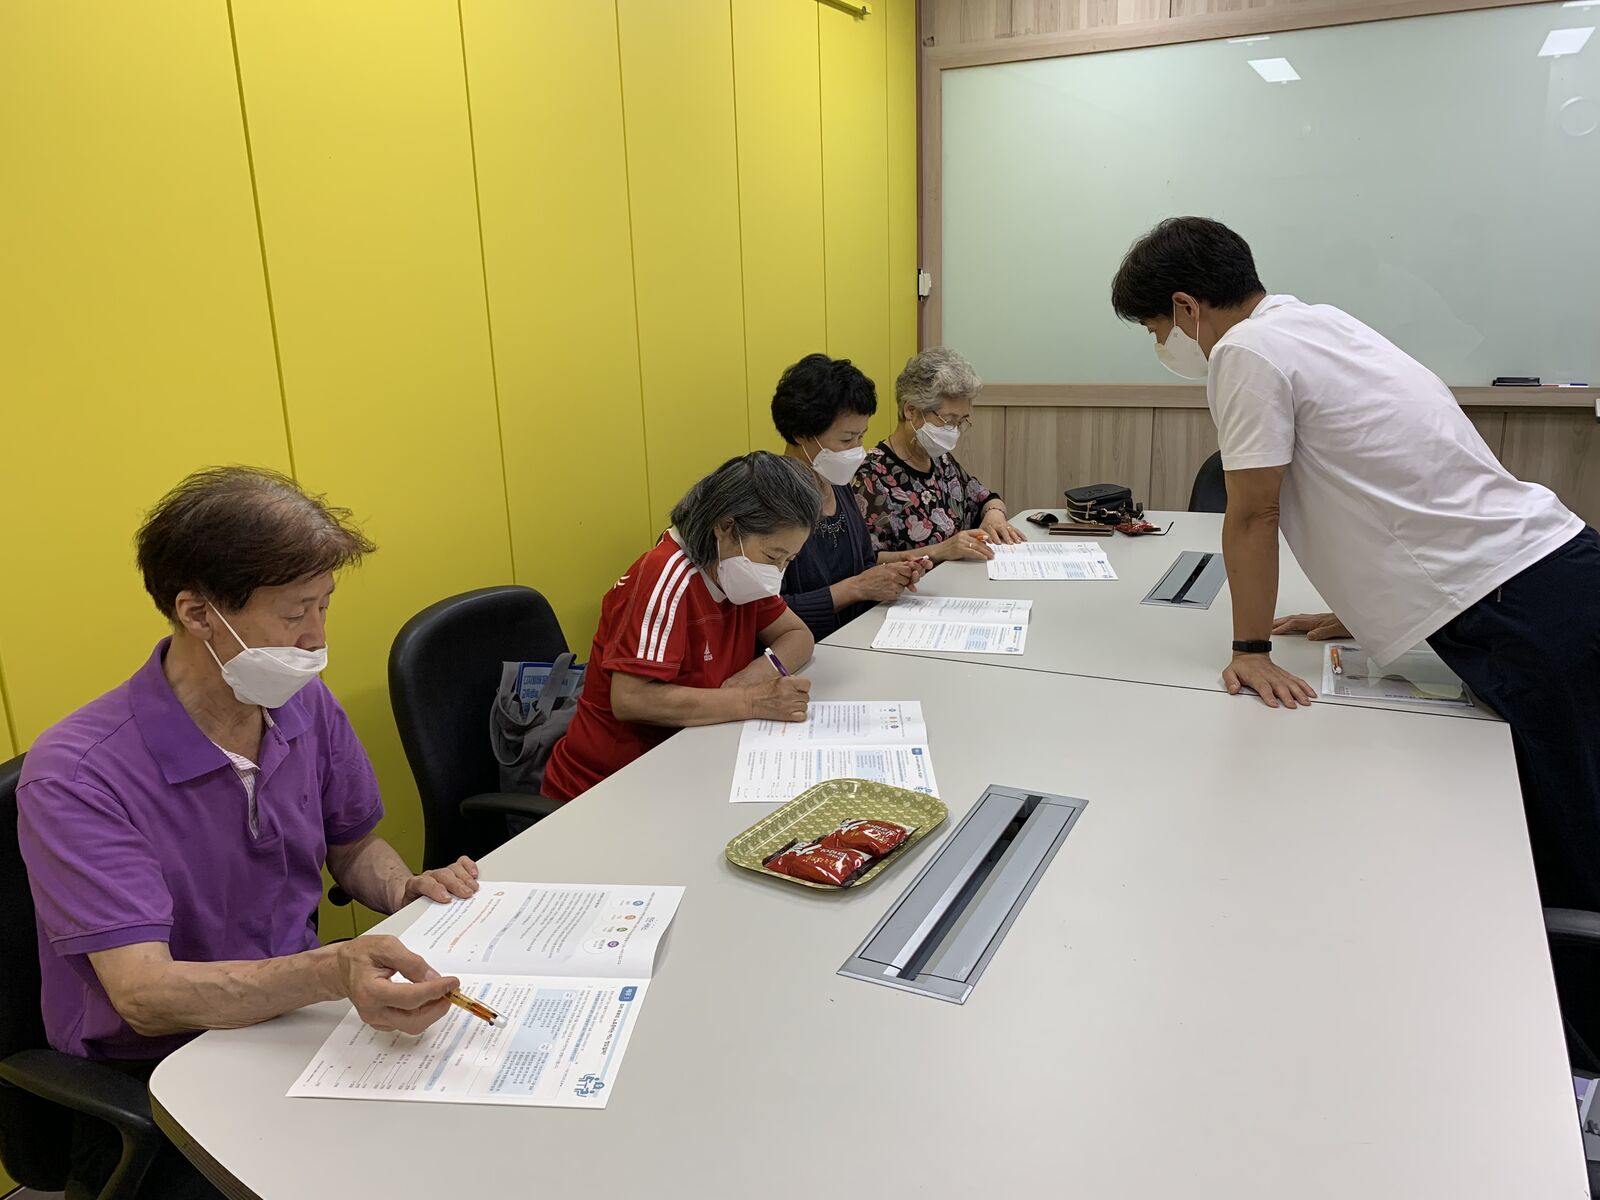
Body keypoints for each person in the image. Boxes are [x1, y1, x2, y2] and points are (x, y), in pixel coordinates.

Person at [1110, 215, 1600, 912]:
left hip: (1516, 602)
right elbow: (1388, 466)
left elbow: (1253, 512)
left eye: (1157, 329)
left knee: (1570, 846)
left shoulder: (1244, 350)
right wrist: (1368, 603)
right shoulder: (1320, 323)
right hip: (1554, 567)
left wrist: (1249, 651)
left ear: (1186, 307)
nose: (1164, 345)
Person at [16, 467, 479, 1199]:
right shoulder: (78, 774)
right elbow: (144, 995)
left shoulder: (302, 705)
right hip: (161, 1073)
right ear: (198, 613)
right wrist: (330, 971)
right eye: (295, 614)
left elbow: (354, 845)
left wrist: (405, 888)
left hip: (293, 1023)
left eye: (324, 605)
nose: (317, 637)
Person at [543, 451, 820, 802]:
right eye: (773, 556)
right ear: (726, 527)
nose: (777, 571)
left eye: (788, 560)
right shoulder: (666, 575)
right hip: (608, 786)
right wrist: (751, 701)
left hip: (688, 759)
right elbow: (631, 699)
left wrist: (750, 678)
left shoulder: (739, 571)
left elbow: (797, 636)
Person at [771, 353, 932, 638]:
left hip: (856, 635)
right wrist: (857, 588)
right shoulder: (771, 503)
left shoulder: (836, 482)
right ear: (800, 434)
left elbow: (863, 563)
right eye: (846, 439)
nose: (857, 450)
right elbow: (764, 614)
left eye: (861, 436)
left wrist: (893, 573)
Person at [854, 347, 1024, 559]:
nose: (953, 431)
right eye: (948, 420)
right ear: (910, 410)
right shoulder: (870, 477)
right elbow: (868, 561)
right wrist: (939, 552)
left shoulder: (941, 460)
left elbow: (986, 498)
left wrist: (994, 514)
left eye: (960, 422)